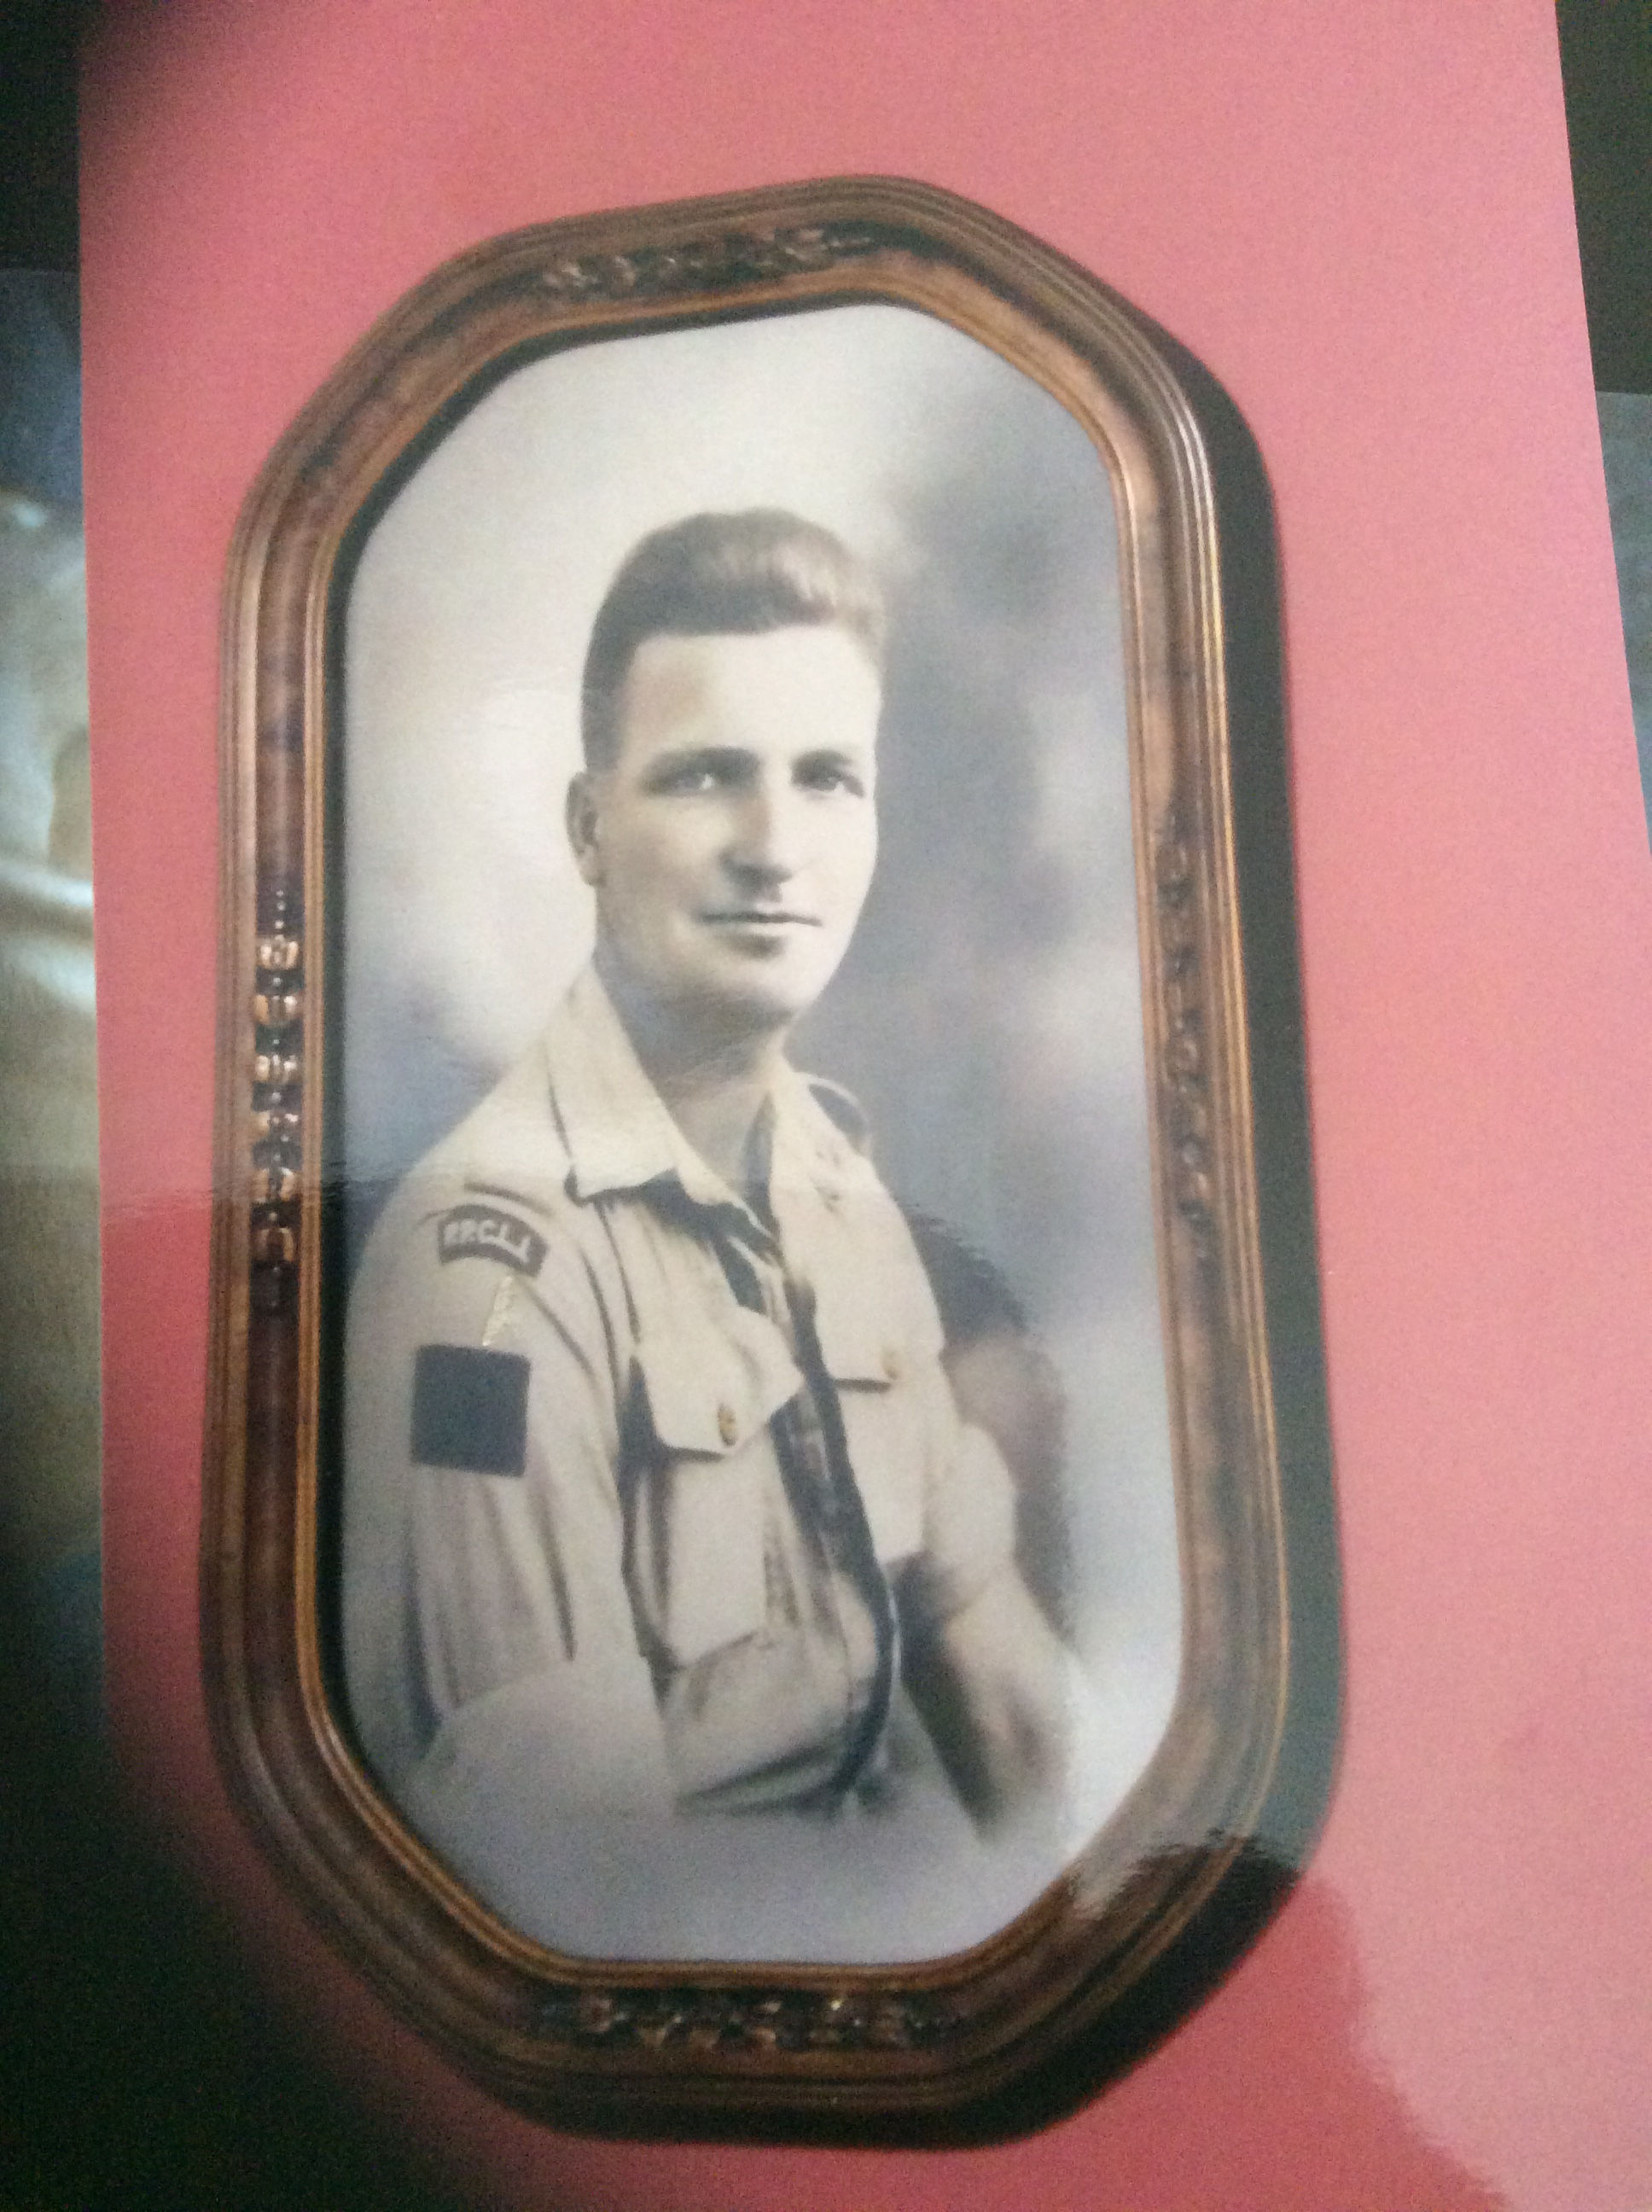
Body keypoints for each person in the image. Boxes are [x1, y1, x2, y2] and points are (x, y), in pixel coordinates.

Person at [342, 510, 1079, 1959]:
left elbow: (1012, 1702)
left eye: (827, 779)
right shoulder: (488, 1274)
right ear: (587, 827)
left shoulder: (834, 1188)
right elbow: (581, 1901)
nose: (774, 847)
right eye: (702, 776)